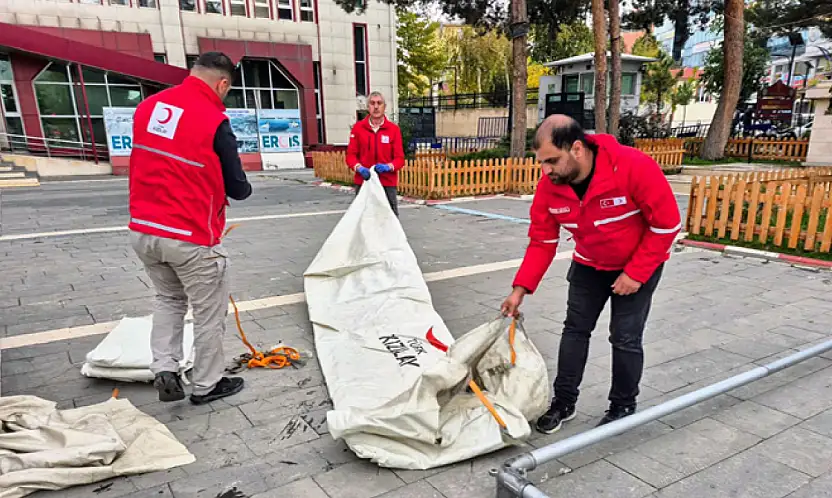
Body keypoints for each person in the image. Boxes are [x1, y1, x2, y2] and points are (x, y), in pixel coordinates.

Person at [501, 115, 681, 433]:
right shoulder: (550, 187)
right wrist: (519, 289)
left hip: (637, 266)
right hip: (588, 263)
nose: (546, 171)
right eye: (541, 163)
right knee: (574, 331)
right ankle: (564, 402)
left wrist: (636, 274)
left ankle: (623, 406)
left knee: (625, 337)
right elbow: (542, 241)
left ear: (578, 149)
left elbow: (666, 225)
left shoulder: (632, 167)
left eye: (552, 161)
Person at [128, 51, 253, 406]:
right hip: (190, 236)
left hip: (144, 230)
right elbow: (237, 187)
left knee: (167, 299)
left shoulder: (149, 107)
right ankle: (206, 384)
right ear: (222, 83)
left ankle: (164, 368)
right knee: (208, 311)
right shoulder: (213, 119)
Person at [345, 91, 406, 216]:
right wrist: (359, 168)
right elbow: (350, 156)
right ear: (368, 107)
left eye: (379, 103)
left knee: (389, 218)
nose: (376, 107)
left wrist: (388, 167)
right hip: (364, 182)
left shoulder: (393, 130)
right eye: (372, 103)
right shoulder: (358, 128)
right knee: (363, 218)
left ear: (385, 106)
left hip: (387, 183)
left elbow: (400, 159)